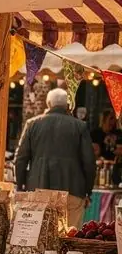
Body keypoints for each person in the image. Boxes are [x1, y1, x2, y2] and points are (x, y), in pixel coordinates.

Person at [14, 87, 96, 232]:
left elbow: (21, 159)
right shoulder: (79, 126)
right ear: (68, 106)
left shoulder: (33, 124)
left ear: (48, 103)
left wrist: (20, 186)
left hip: (39, 189)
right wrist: (88, 191)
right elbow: (89, 162)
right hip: (72, 190)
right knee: (70, 236)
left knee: (39, 236)